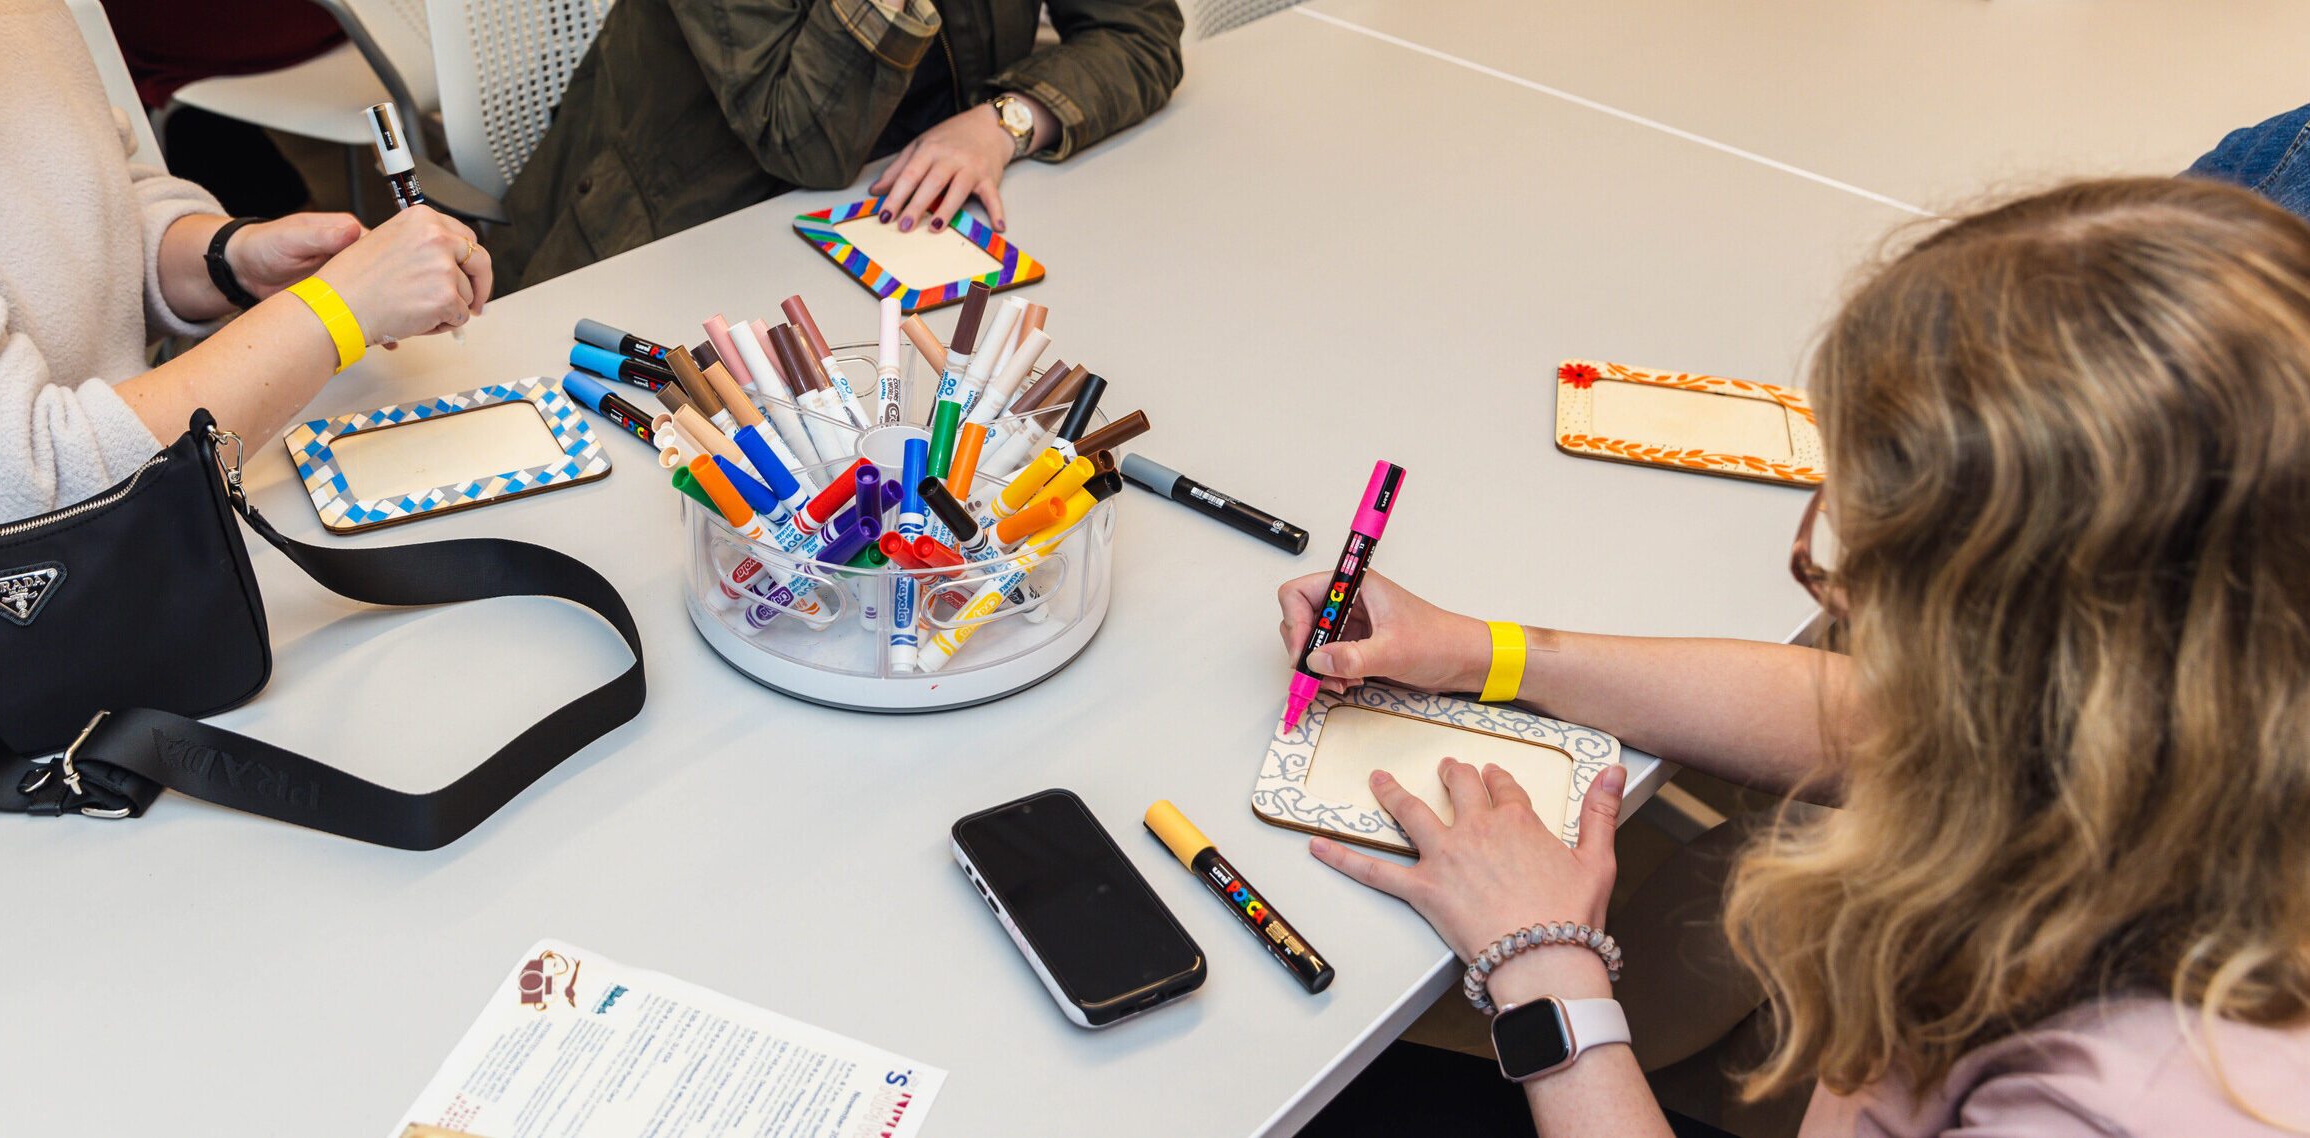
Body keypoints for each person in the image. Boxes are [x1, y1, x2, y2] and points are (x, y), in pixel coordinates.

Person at [1280, 178, 2310, 1136]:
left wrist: (1545, 968)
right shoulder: (2223, 714)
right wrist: (1486, 651)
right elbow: (1874, 716)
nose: (1843, 588)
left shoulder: (2123, 1099)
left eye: (1869, 562)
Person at [0, 0, 490, 531]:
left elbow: (98, 193)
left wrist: (225, 260)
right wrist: (332, 312)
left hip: (145, 530)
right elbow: (17, 495)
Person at [491, 0, 1184, 293]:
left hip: (917, 232)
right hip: (691, 247)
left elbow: (1140, 32)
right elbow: (800, 140)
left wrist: (1003, 121)